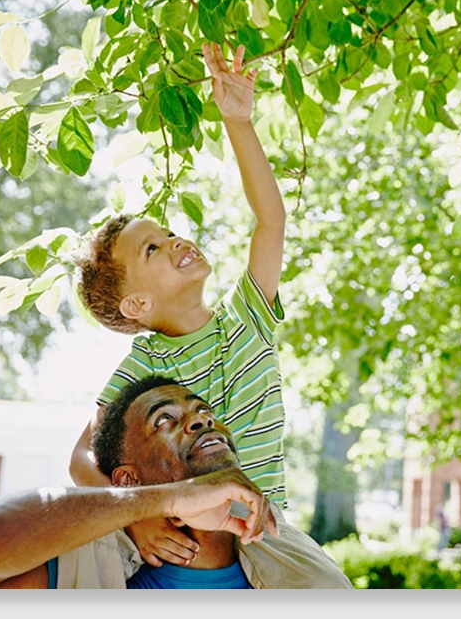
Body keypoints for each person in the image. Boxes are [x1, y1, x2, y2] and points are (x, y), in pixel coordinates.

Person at [69, 41, 289, 568]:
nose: (175, 242)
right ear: (137, 304)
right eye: (153, 249)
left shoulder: (247, 318)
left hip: (269, 538)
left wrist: (238, 120)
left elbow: (271, 221)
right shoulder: (145, 367)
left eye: (167, 233)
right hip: (187, 547)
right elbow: (80, 460)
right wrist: (135, 516)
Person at [0, 376, 353, 589]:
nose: (201, 420)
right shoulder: (89, 569)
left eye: (203, 411)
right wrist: (162, 501)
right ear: (128, 480)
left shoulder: (295, 560)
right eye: (165, 420)